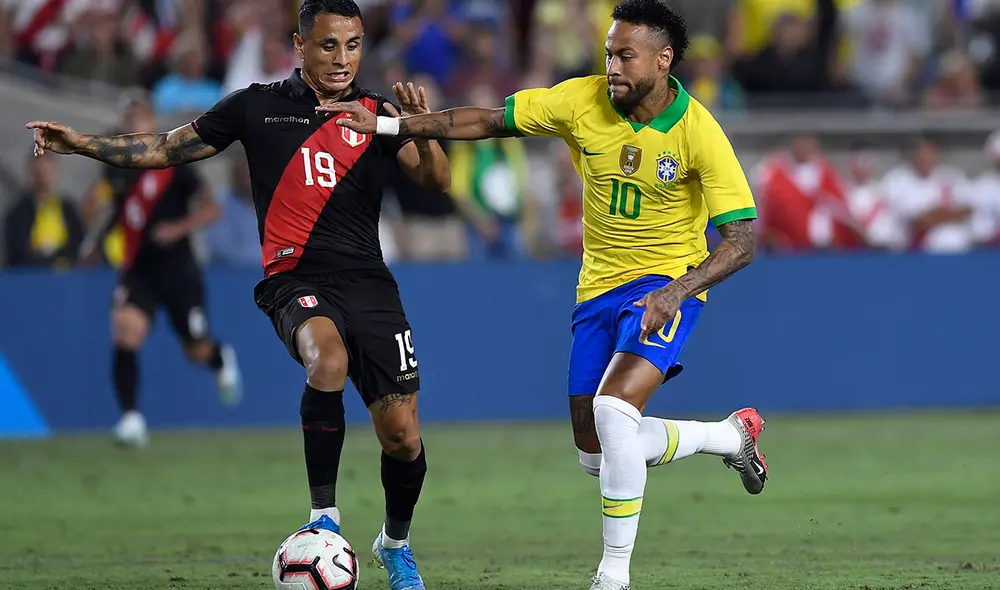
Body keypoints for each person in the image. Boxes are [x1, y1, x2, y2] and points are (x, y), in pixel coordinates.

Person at [325, 1, 768, 588]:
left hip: (663, 286)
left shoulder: (698, 132)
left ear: (663, 61)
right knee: (597, 452)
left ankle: (613, 576)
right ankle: (728, 436)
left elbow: (741, 241)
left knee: (614, 413)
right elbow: (487, 121)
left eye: (626, 56)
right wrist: (388, 126)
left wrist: (678, 292)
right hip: (597, 292)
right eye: (608, 53)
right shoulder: (581, 101)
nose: (612, 66)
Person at [26, 2, 449, 589]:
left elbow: (436, 181)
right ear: (299, 45)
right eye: (328, 45)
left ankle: (394, 545)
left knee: (402, 437)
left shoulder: (376, 113)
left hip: (370, 284)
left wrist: (421, 131)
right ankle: (323, 521)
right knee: (326, 358)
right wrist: (81, 144)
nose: (341, 59)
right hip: (294, 279)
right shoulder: (257, 107)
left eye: (352, 45)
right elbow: (166, 147)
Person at [78, 96, 243, 447]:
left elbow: (212, 209)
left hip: (179, 270)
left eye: (140, 119)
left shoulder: (175, 160)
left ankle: (219, 357)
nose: (134, 126)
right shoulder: (115, 166)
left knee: (195, 349)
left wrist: (178, 228)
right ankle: (131, 418)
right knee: (126, 332)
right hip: (139, 269)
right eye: (129, 120)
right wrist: (94, 226)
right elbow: (101, 209)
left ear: (153, 124)